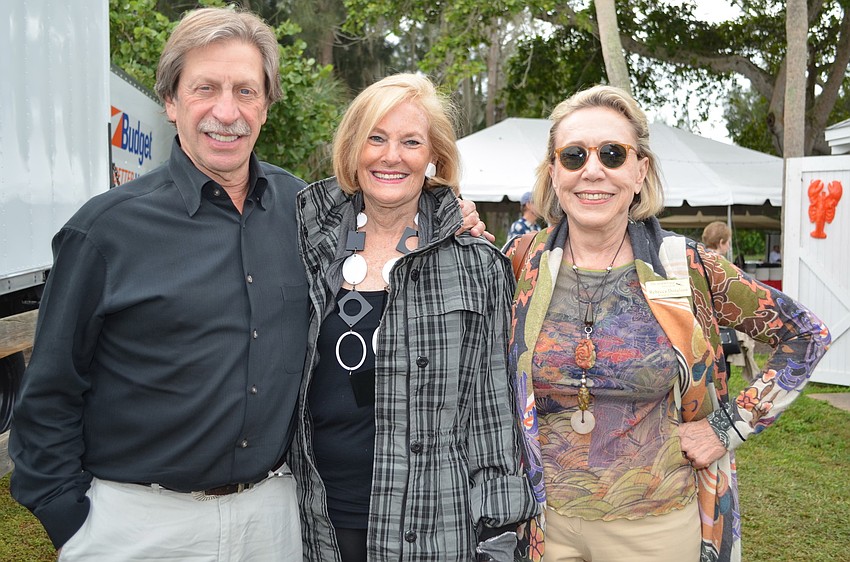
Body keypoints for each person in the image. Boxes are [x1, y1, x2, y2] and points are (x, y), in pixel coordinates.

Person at [10, 8, 307, 560]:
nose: (227, 111)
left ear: (266, 104)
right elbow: (49, 392)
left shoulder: (308, 213)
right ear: (171, 102)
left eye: (246, 90)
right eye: (205, 88)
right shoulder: (104, 231)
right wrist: (72, 525)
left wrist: (453, 216)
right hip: (139, 526)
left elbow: (390, 235)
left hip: (274, 520)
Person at [506, 85, 830, 562]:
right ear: (554, 173)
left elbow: (805, 335)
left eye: (613, 154)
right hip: (539, 524)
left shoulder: (687, 265)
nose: (592, 170)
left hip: (656, 529)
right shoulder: (517, 263)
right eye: (574, 155)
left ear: (641, 172)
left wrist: (726, 426)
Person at [290, 73, 538, 562]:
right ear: (352, 149)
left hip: (433, 528)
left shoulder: (476, 263)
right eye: (375, 139)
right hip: (312, 523)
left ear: (434, 158)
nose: (390, 156)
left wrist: (500, 532)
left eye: (410, 142)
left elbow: (494, 410)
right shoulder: (304, 243)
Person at [702, 222, 759, 383]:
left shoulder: (695, 261)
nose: (728, 246)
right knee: (722, 371)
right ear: (720, 242)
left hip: (700, 324)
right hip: (720, 325)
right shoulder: (722, 265)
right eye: (727, 242)